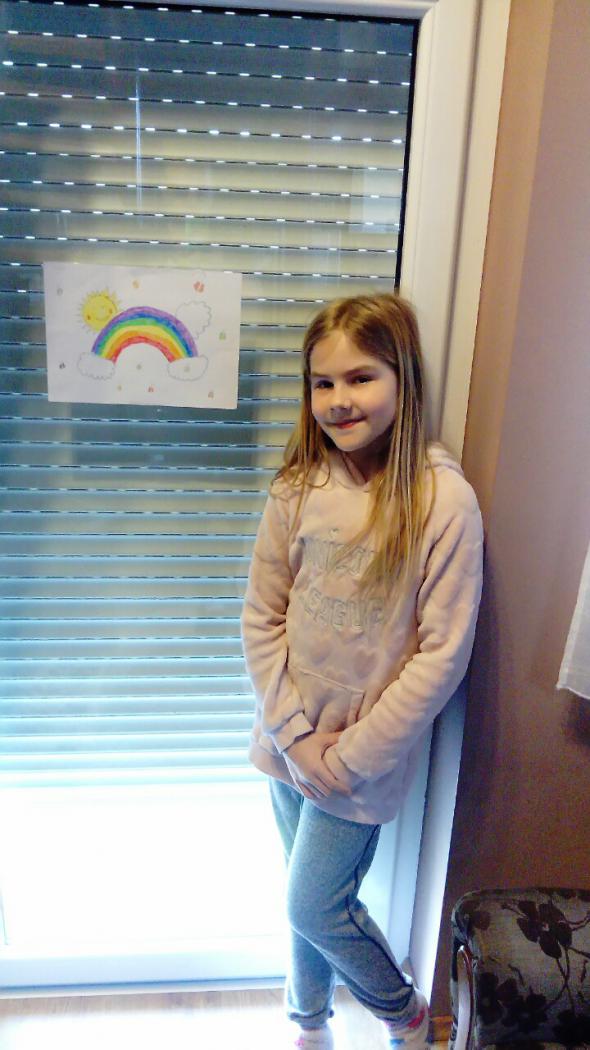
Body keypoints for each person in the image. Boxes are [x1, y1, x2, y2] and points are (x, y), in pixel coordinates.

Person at [241, 293, 483, 1050]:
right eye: (323, 383)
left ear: (403, 378)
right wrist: (292, 736)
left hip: (358, 762)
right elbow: (261, 618)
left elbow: (441, 654)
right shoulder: (298, 488)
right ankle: (309, 1022)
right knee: (298, 894)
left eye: (360, 378)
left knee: (315, 905)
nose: (339, 400)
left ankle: (406, 1016)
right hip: (287, 739)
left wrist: (345, 759)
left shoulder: (443, 500)